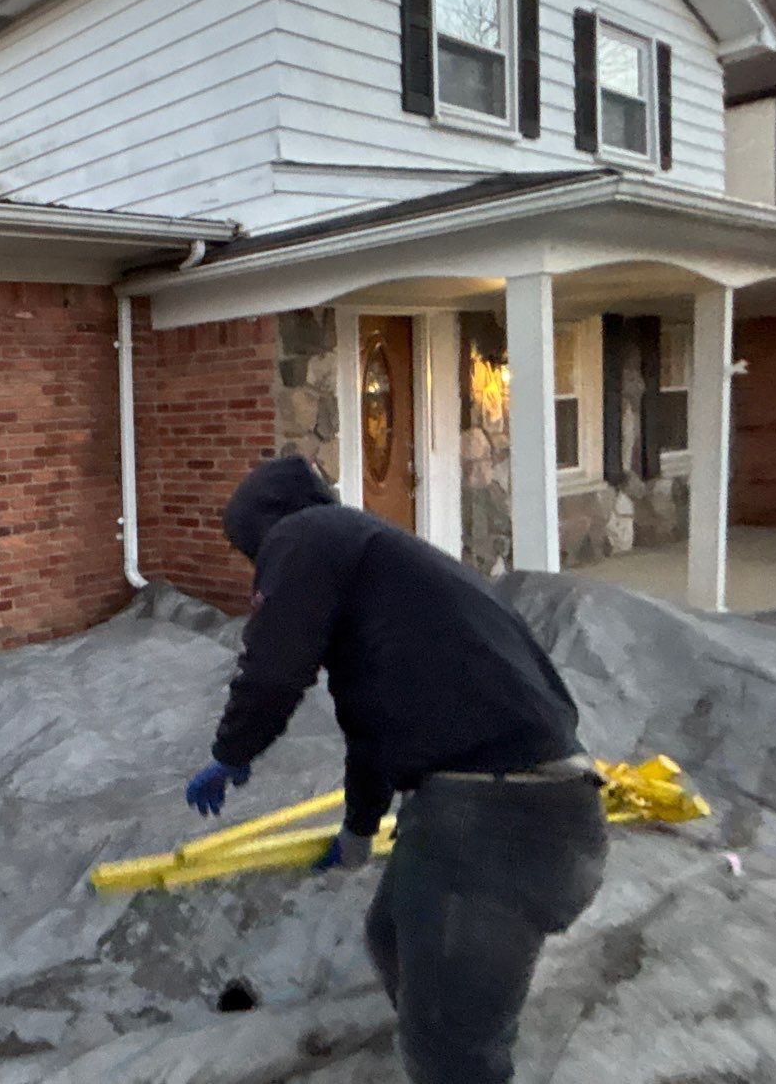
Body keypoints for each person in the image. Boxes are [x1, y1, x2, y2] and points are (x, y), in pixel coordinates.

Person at [183, 455, 607, 1084]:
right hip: (523, 813)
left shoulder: (308, 535)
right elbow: (371, 727)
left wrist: (231, 752)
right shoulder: (384, 580)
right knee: (391, 936)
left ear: (263, 530)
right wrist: (359, 829)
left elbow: (274, 667)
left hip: (500, 821)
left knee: (453, 1054)